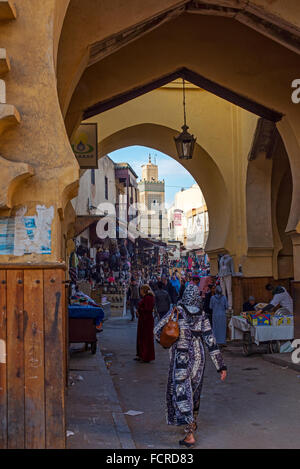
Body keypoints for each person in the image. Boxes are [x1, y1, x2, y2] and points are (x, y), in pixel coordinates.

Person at [154, 284, 227, 447]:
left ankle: (190, 434)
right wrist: (220, 366)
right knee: (194, 393)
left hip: (181, 358)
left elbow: (157, 330)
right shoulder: (202, 315)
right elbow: (210, 341)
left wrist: (166, 343)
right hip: (199, 358)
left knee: (182, 393)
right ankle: (191, 424)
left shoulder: (177, 311)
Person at [135, 284, 156, 363]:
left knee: (145, 338)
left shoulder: (148, 298)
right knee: (142, 337)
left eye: (141, 290)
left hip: (146, 320)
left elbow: (148, 309)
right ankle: (141, 355)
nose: (140, 292)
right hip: (143, 320)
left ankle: (146, 356)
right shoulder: (146, 297)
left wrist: (139, 310)